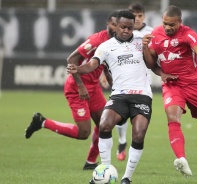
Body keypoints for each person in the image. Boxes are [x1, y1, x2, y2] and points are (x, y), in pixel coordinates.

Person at [142, 5, 197, 180]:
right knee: (172, 117)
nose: (168, 27)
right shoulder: (156, 35)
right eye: (165, 23)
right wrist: (145, 48)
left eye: (172, 25)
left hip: (193, 84)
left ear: (180, 22)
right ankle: (181, 159)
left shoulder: (188, 34)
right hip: (172, 84)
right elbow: (151, 64)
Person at [24, 11, 118, 170]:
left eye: (120, 25)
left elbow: (105, 64)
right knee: (83, 133)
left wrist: (112, 83)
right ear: (108, 24)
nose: (117, 28)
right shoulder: (96, 41)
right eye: (114, 24)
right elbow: (71, 60)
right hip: (77, 88)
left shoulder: (115, 42)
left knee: (105, 124)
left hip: (94, 88)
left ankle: (90, 162)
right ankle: (42, 122)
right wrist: (81, 86)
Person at [67, 10, 153, 184]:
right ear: (116, 26)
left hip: (141, 96)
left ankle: (127, 178)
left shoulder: (141, 41)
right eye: (123, 27)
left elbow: (152, 64)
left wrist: (146, 48)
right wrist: (79, 69)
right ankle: (104, 171)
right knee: (104, 124)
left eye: (130, 27)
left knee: (138, 134)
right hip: (119, 95)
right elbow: (92, 65)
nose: (127, 31)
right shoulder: (106, 46)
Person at [114, 2, 154, 162]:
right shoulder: (120, 33)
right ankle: (122, 140)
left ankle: (133, 148)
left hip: (142, 81)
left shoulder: (151, 32)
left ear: (144, 16)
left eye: (140, 16)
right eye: (134, 15)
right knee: (119, 114)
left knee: (137, 117)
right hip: (122, 79)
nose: (137, 19)